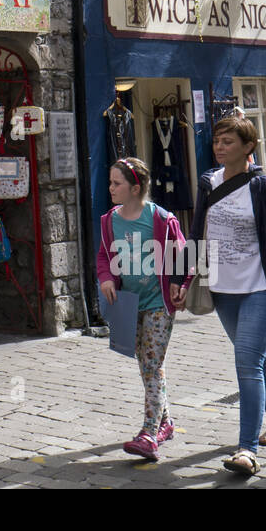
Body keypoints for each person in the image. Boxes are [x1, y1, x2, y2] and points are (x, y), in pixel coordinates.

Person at [174, 115, 266, 476]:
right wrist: (183, 279)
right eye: (217, 141)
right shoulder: (209, 183)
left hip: (263, 288)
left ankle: (247, 449)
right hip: (223, 291)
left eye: (228, 141)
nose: (219, 146)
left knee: (246, 361)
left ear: (248, 148)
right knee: (255, 358)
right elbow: (197, 233)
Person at [95, 157, 187, 461]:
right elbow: (103, 258)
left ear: (135, 188)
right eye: (110, 182)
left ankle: (149, 434)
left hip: (158, 303)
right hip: (128, 306)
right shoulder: (110, 221)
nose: (110, 188)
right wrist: (107, 279)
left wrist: (180, 284)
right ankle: (166, 423)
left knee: (150, 364)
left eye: (116, 183)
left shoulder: (161, 219)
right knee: (148, 366)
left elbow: (184, 256)